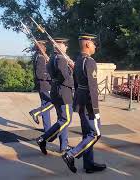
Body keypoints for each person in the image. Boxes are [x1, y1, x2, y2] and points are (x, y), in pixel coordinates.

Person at [62, 33, 106, 173]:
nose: (94, 46)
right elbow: (92, 88)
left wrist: (77, 102)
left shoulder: (79, 60)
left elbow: (76, 83)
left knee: (87, 133)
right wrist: (95, 110)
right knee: (95, 134)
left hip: (80, 102)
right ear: (87, 44)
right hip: (88, 104)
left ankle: (89, 164)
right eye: (93, 44)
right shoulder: (90, 62)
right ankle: (71, 154)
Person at [37, 38, 74, 154]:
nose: (66, 47)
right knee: (66, 120)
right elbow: (65, 78)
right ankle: (43, 138)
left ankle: (63, 145)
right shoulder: (62, 59)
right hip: (64, 93)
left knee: (61, 120)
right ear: (59, 45)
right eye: (65, 45)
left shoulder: (52, 58)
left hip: (55, 91)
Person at [29, 40, 54, 133]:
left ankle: (47, 129)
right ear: (40, 47)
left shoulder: (37, 56)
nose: (45, 47)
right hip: (45, 85)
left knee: (45, 106)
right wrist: (51, 77)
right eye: (43, 46)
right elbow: (40, 74)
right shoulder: (40, 58)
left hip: (41, 85)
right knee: (53, 102)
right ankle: (36, 112)